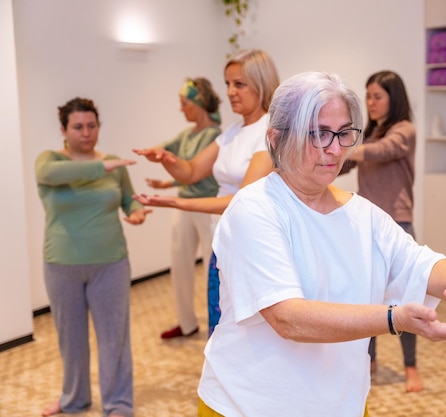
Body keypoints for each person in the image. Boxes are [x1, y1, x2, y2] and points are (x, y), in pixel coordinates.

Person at [195, 71, 446, 417]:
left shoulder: (362, 213)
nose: (334, 148)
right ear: (276, 139)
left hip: (338, 403)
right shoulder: (254, 209)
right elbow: (288, 318)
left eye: (344, 133)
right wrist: (393, 319)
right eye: (318, 134)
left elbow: (417, 260)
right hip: (249, 405)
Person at [133, 49, 279, 336]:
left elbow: (243, 201)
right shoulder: (233, 132)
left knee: (244, 331)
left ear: (261, 84)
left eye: (239, 84)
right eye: (227, 84)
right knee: (222, 326)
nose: (230, 92)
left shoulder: (269, 131)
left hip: (250, 244)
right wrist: (167, 159)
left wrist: (178, 202)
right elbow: (191, 172)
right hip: (223, 241)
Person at [36, 97, 152, 417]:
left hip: (110, 263)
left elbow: (129, 200)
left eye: (92, 126)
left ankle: (118, 404)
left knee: (114, 339)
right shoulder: (49, 161)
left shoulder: (113, 164)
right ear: (63, 129)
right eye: (78, 127)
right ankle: (74, 398)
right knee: (71, 340)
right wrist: (102, 166)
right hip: (61, 265)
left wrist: (137, 211)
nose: (86, 133)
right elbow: (51, 174)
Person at [340, 70, 422, 392]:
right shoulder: (367, 135)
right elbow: (349, 163)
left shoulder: (405, 131)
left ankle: (411, 366)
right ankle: (369, 360)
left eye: (377, 96)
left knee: (406, 297)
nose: (370, 102)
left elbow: (384, 150)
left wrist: (349, 148)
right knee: (369, 298)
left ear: (394, 98)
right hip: (367, 224)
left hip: (398, 222)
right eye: (368, 96)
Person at [145, 77, 222, 339]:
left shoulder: (215, 135)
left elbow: (195, 171)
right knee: (179, 265)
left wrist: (169, 179)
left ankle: (218, 322)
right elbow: (170, 152)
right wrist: (154, 152)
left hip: (207, 206)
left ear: (198, 103)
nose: (181, 109)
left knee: (210, 269)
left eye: (184, 103)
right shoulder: (187, 135)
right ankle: (186, 323)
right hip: (183, 206)